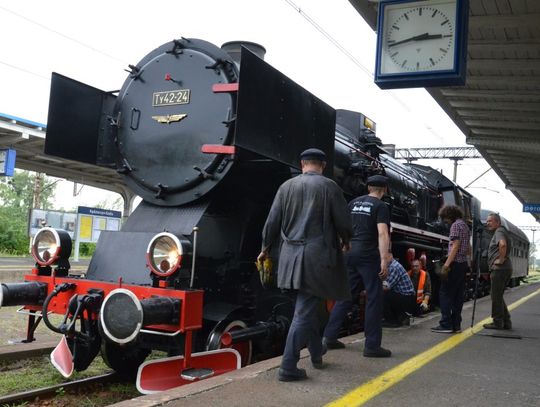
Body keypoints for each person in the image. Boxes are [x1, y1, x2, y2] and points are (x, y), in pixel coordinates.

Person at [257, 148, 352, 382]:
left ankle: (317, 353)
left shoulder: (285, 187)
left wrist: (265, 248)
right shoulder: (329, 187)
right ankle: (288, 367)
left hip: (289, 258)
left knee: (306, 307)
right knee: (304, 310)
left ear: (302, 164)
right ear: (322, 165)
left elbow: (271, 223)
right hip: (316, 259)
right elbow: (344, 223)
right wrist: (346, 239)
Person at [323, 174, 392, 358]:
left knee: (345, 295)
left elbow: (341, 227)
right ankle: (372, 346)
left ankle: (329, 337)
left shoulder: (353, 203)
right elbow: (382, 233)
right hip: (368, 256)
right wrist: (384, 259)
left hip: (349, 252)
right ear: (384, 190)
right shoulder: (381, 206)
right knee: (374, 298)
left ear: (368, 187)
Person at [431, 205, 471, 334]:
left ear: (449, 215)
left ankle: (445, 324)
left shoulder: (455, 226)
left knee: (445, 293)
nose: (445, 222)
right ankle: (456, 325)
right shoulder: (465, 226)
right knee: (458, 296)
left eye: (445, 219)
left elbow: (455, 246)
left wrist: (446, 265)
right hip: (462, 264)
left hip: (454, 264)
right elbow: (468, 249)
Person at [483, 213, 513, 330]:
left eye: (490, 221)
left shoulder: (499, 231)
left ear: (497, 222)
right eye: (487, 221)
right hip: (504, 269)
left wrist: (500, 260)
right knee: (498, 296)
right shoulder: (502, 231)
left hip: (500, 269)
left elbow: (503, 244)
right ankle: (506, 322)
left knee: (495, 296)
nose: (487, 223)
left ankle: (497, 322)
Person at [382, 258, 416, 327]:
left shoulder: (393, 267)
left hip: (407, 300)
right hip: (406, 298)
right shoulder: (392, 265)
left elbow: (386, 287)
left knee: (382, 294)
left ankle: (392, 321)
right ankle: (398, 317)